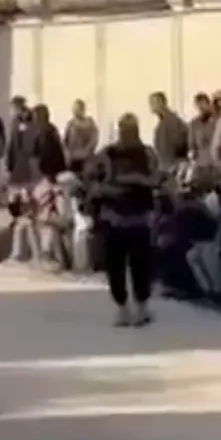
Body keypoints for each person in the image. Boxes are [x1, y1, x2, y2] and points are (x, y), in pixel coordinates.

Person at [88, 113, 158, 327]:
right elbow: (93, 180)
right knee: (115, 267)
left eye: (132, 129)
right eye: (125, 129)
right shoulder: (107, 154)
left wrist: (137, 180)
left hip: (139, 217)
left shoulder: (147, 153)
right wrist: (106, 190)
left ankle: (141, 307)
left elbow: (156, 178)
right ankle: (123, 308)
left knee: (141, 266)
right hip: (114, 218)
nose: (128, 134)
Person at [149, 91, 189, 173]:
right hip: (165, 166)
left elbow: (180, 143)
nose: (151, 106)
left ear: (161, 102)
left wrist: (176, 165)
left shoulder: (172, 121)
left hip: (172, 167)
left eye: (153, 102)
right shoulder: (162, 123)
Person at [64, 99, 99, 176]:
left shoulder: (90, 123)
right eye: (74, 109)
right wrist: (67, 154)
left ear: (83, 109)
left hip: (86, 158)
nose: (74, 112)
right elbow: (65, 141)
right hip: (73, 158)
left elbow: (94, 140)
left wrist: (86, 151)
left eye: (77, 109)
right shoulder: (71, 124)